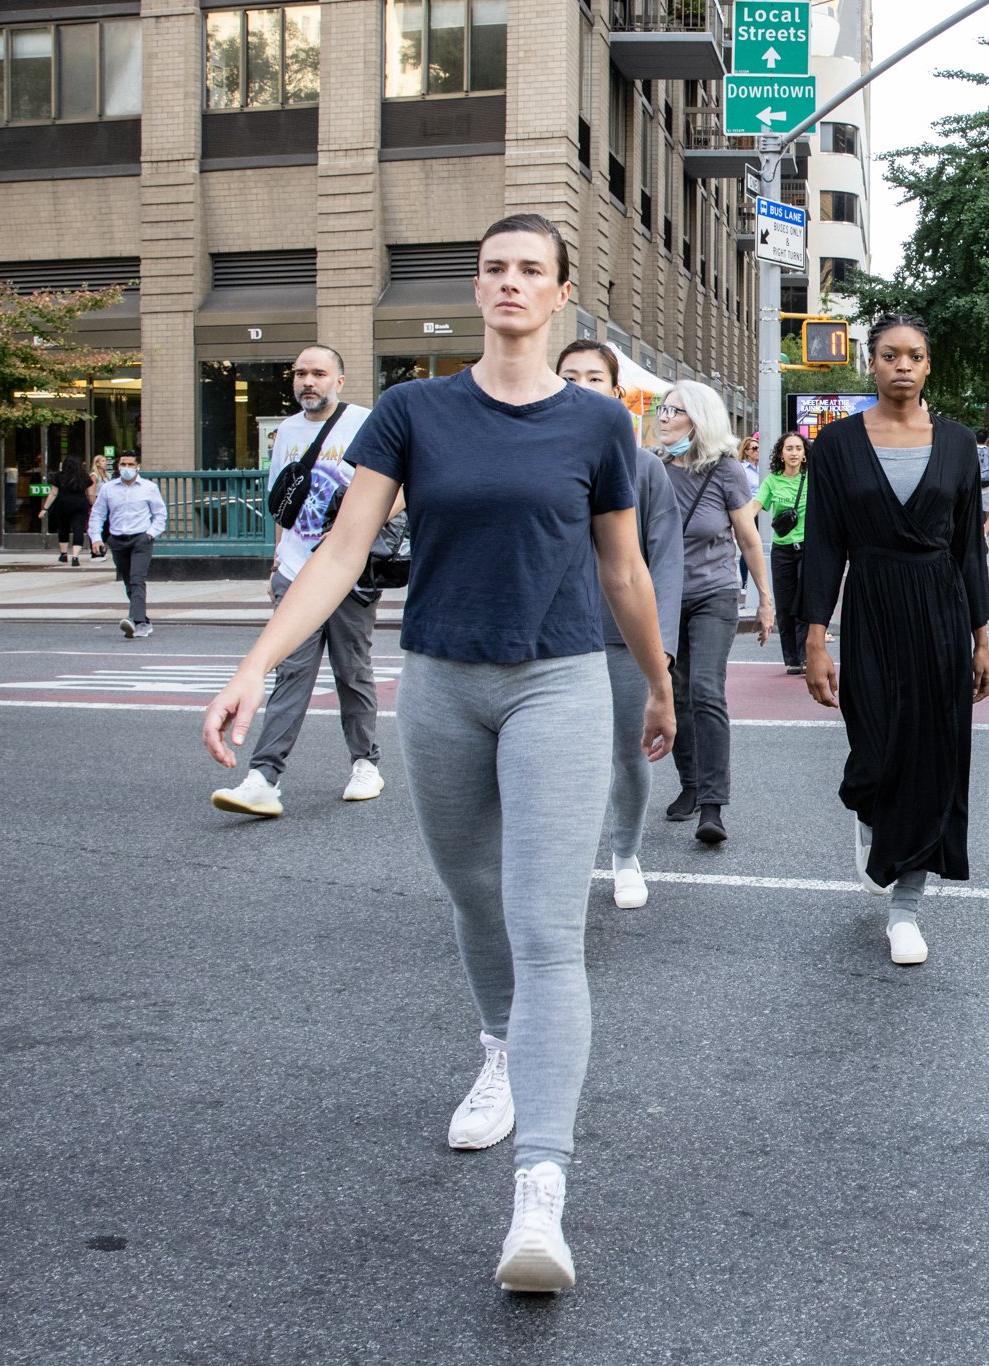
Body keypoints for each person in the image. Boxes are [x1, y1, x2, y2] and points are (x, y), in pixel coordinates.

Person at [201, 213, 675, 1295]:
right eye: (494, 267)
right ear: (479, 288)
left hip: (557, 681)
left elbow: (623, 574)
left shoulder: (599, 427)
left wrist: (655, 683)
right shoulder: (414, 412)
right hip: (443, 684)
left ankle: (541, 1196)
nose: (510, 282)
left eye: (530, 271)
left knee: (548, 927)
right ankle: (499, 1049)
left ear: (561, 297)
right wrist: (257, 665)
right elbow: (340, 552)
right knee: (473, 896)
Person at [802, 312, 989, 967]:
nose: (902, 365)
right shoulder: (834, 447)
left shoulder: (960, 443)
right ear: (872, 363)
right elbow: (825, 546)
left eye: (914, 355)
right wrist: (815, 639)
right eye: (889, 355)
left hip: (941, 609)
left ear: (928, 364)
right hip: (873, 607)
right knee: (876, 752)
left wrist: (981, 638)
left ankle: (906, 909)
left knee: (932, 755)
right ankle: (870, 811)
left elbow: (969, 546)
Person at [211, 344, 386, 817]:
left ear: (339, 381)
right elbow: (281, 504)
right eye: (301, 374)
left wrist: (354, 528)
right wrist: (276, 561)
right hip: (294, 572)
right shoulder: (286, 431)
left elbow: (400, 492)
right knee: (291, 673)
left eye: (319, 374)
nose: (309, 381)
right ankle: (263, 777)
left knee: (352, 671)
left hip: (349, 570)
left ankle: (365, 763)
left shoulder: (367, 423)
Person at [559, 339, 683, 911]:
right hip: (550, 639)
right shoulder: (535, 455)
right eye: (569, 377)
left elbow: (664, 562)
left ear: (616, 394)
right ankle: (558, 857)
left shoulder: (644, 467)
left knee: (629, 753)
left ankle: (625, 852)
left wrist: (661, 653)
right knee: (553, 756)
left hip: (623, 638)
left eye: (594, 379)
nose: (581, 387)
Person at [658, 381, 772, 845]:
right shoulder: (649, 468)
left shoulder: (725, 471)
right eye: (663, 410)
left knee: (705, 689)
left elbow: (747, 538)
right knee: (674, 692)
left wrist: (765, 599)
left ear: (698, 420)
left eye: (675, 411)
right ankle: (689, 783)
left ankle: (712, 805)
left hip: (714, 593)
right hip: (662, 597)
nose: (663, 417)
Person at [88, 452, 167, 638]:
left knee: (137, 578)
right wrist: (96, 538)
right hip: (117, 539)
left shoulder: (149, 488)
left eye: (131, 464)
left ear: (138, 466)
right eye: (123, 464)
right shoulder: (108, 488)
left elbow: (160, 514)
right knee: (128, 581)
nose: (127, 468)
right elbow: (98, 514)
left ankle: (136, 621)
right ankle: (143, 620)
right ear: (118, 466)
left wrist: (149, 534)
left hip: (141, 538)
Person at [757, 432, 812, 675]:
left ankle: (807, 655)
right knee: (785, 604)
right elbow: (754, 507)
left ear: (804, 454)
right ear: (781, 453)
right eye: (788, 448)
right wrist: (735, 522)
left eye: (798, 448)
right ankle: (792, 659)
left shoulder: (813, 478)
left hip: (808, 548)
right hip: (782, 551)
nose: (793, 453)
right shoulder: (772, 481)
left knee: (806, 603)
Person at [39, 454, 92, 566]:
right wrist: (94, 505)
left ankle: (63, 554)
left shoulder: (58, 476)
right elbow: (89, 494)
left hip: (63, 505)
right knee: (79, 530)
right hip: (80, 504)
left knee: (63, 528)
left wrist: (45, 508)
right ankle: (75, 557)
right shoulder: (85, 477)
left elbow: (53, 493)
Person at [736, 435, 763, 597]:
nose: (757, 451)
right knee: (748, 545)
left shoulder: (762, 468)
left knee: (758, 546)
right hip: (748, 511)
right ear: (746, 452)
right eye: (754, 448)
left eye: (759, 447)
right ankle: (746, 581)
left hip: (763, 512)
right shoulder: (742, 470)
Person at [85, 455, 110, 559]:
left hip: (107, 503)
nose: (105, 463)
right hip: (97, 502)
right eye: (103, 461)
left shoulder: (107, 475)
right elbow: (91, 493)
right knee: (97, 526)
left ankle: (101, 546)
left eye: (105, 461)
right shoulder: (94, 476)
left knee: (107, 528)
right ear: (97, 463)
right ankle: (95, 551)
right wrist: (95, 505)